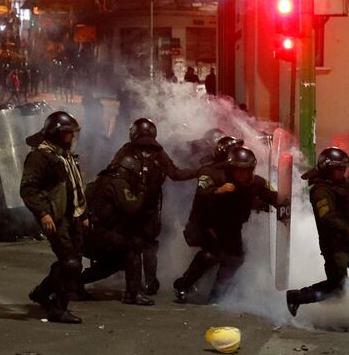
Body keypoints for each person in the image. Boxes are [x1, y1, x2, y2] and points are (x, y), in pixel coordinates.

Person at [173, 145, 281, 303]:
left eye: (247, 170)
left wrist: (283, 204)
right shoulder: (214, 175)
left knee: (236, 259)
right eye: (239, 170)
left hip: (232, 228)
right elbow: (202, 193)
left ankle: (218, 294)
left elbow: (273, 196)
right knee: (212, 254)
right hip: (206, 225)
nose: (243, 174)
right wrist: (218, 191)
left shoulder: (256, 182)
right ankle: (183, 285)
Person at [111, 118, 198, 295]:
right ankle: (150, 283)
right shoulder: (158, 152)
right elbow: (175, 174)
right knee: (149, 245)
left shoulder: (127, 150)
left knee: (133, 246)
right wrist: (199, 171)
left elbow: (112, 174)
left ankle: (134, 287)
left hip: (130, 208)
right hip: (151, 208)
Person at [286, 147, 349, 317]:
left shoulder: (339, 183)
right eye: (337, 169)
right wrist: (347, 230)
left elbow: (348, 186)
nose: (342, 173)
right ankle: (296, 296)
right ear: (327, 169)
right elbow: (327, 218)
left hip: (347, 242)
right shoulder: (321, 191)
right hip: (334, 247)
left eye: (343, 169)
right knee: (338, 288)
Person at [20, 111, 88, 324]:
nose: (72, 137)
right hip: (56, 217)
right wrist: (43, 213)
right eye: (68, 133)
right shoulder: (40, 157)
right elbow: (28, 189)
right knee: (70, 263)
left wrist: (83, 213)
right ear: (57, 133)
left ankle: (42, 292)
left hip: (72, 215)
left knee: (73, 262)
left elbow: (75, 187)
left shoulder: (64, 155)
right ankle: (58, 309)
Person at [81, 155, 154, 305]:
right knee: (132, 247)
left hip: (87, 234)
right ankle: (133, 294)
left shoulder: (99, 179)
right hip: (99, 235)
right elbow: (131, 207)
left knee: (116, 262)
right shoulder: (118, 183)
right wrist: (141, 192)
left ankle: (75, 282)